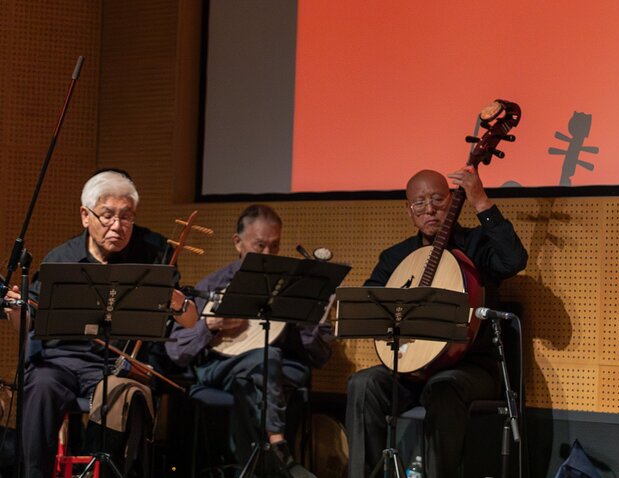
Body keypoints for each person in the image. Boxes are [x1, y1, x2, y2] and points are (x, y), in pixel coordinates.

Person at [346, 167, 528, 478]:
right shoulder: (396, 257)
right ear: (409, 210)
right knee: (362, 384)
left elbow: (513, 260)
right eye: (419, 203)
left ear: (452, 200)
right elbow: (371, 303)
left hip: (468, 368)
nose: (429, 209)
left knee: (443, 388)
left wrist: (481, 201)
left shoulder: (476, 245)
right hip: (410, 371)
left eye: (437, 200)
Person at [22, 170, 197, 477]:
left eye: (126, 217)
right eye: (107, 216)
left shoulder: (154, 251)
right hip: (61, 362)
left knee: (115, 393)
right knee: (40, 386)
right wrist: (16, 309)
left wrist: (175, 300)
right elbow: (28, 320)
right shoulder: (61, 259)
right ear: (85, 216)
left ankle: (96, 471)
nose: (118, 226)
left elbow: (190, 320)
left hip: (120, 364)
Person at [167, 204, 331, 478]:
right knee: (267, 360)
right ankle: (280, 452)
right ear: (238, 243)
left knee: (262, 369)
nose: (268, 254)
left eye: (274, 246)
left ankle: (251, 469)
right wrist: (210, 325)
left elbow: (320, 356)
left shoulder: (290, 287)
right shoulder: (213, 285)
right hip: (221, 367)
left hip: (273, 372)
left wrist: (311, 314)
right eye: (260, 246)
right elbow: (175, 349)